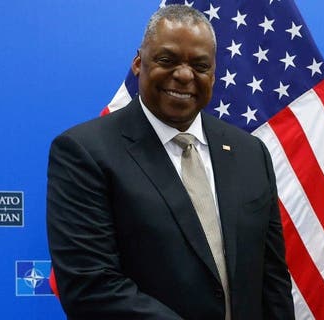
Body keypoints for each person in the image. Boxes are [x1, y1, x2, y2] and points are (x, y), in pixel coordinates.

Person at [46, 5, 294, 320]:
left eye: (200, 65)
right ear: (138, 63)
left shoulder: (251, 153)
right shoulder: (84, 152)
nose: (184, 74)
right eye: (167, 60)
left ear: (213, 74)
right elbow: (90, 286)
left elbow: (272, 279)